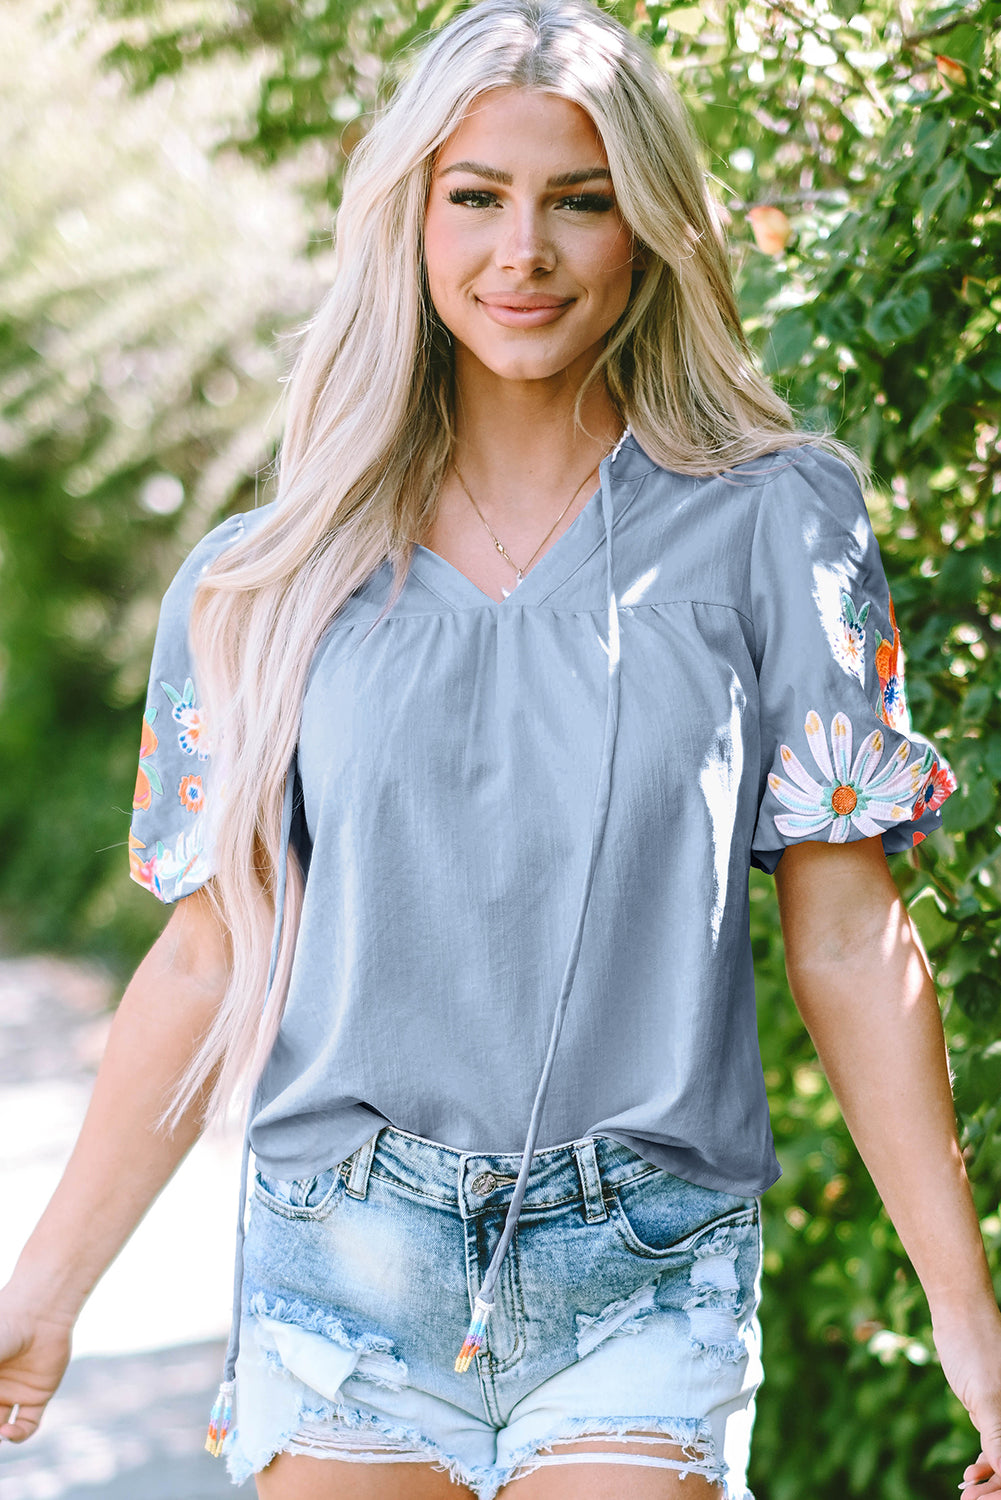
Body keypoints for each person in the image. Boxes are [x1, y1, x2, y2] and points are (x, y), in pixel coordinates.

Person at [1, 1, 999, 1496]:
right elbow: (209, 959)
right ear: (410, 219)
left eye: (578, 200)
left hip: (645, 1258)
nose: (521, 251)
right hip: (343, 1253)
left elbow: (852, 940)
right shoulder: (263, 579)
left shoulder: (777, 524)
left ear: (648, 225)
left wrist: (968, 1319)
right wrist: (44, 1292)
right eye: (475, 196)